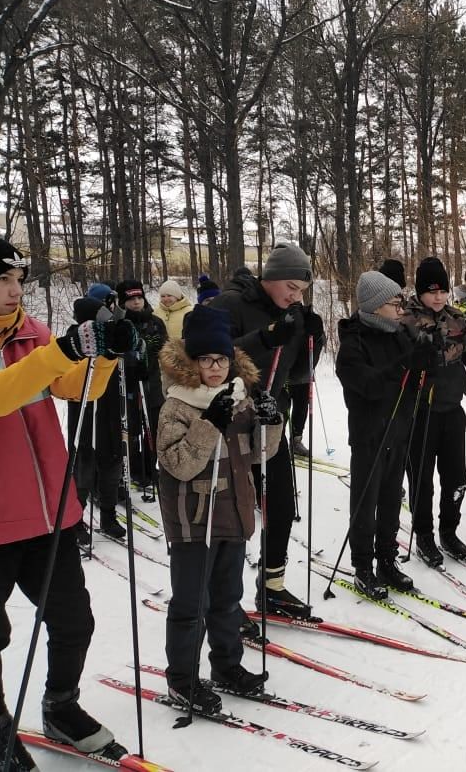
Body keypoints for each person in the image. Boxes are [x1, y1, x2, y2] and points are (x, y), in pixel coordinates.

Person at [0, 234, 133, 770]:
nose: (13, 289)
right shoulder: (36, 343)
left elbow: (78, 388)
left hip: (51, 512)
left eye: (18, 279)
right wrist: (60, 352)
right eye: (2, 279)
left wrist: (107, 355)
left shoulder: (33, 332)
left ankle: (61, 706)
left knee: (73, 621)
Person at [156, 305, 282, 713]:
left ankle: (227, 666)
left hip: (234, 514)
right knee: (191, 603)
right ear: (192, 361)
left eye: (222, 359)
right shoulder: (177, 405)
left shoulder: (239, 399)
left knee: (228, 599)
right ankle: (182, 679)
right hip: (194, 521)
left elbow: (261, 454)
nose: (216, 367)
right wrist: (209, 423)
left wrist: (271, 420)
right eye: (207, 359)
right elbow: (179, 464)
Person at [207, 242, 324, 619]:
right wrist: (266, 337)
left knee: (281, 507)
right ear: (270, 277)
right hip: (229, 426)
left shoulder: (293, 313)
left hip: (269, 424)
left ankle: (272, 588)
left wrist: (313, 340)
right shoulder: (231, 305)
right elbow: (210, 358)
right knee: (234, 516)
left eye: (302, 291)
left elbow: (300, 374)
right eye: (290, 286)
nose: (295, 296)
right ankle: (223, 600)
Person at [337, 271, 433, 599]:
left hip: (399, 430)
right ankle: (363, 566)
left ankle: (387, 561)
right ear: (376, 306)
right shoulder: (354, 341)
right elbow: (366, 386)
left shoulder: (398, 335)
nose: (400, 308)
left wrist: (424, 362)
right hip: (369, 435)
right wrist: (405, 365)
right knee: (366, 502)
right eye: (395, 302)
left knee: (392, 499)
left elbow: (411, 375)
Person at [401, 257, 466, 565]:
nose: (438, 296)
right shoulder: (406, 319)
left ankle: (449, 530)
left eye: (443, 290)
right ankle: (425, 535)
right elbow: (401, 360)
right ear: (420, 292)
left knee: (456, 478)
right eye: (431, 291)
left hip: (452, 407)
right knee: (422, 480)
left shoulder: (458, 318)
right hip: (421, 410)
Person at [67, 283, 130, 543]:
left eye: (114, 302)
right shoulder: (75, 332)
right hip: (84, 407)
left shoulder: (118, 330)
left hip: (111, 406)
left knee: (112, 458)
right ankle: (75, 519)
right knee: (84, 462)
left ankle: (108, 515)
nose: (113, 307)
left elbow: (133, 361)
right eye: (108, 303)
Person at [116, 280, 167, 488]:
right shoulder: (119, 323)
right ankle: (130, 468)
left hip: (152, 384)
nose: (136, 303)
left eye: (139, 298)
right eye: (131, 299)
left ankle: (148, 467)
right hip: (127, 386)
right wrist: (131, 363)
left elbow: (165, 348)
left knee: (152, 429)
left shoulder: (155, 322)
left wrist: (154, 351)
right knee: (130, 430)